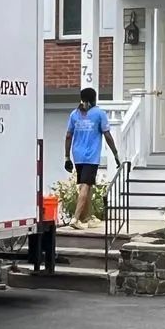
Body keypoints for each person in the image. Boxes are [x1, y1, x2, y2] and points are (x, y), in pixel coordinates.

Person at [64, 87, 119, 227]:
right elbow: (107, 135)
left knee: (87, 186)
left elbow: (68, 136)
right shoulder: (99, 114)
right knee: (86, 185)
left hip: (77, 155)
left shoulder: (74, 114)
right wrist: (115, 153)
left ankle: (88, 218)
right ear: (94, 98)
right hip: (91, 156)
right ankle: (75, 219)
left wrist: (67, 157)